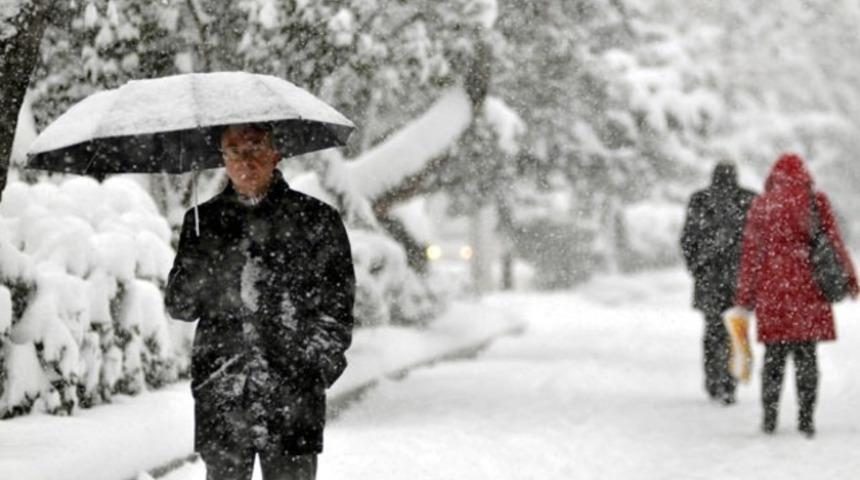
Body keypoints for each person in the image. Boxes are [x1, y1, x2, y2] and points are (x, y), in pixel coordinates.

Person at [165, 123, 356, 479]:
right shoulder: (202, 223)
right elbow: (180, 306)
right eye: (234, 151)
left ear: (275, 152)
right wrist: (200, 262)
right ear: (222, 158)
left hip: (294, 395)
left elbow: (337, 306)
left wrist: (313, 367)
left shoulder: (315, 220)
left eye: (254, 148)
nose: (245, 160)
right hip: (222, 393)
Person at [735, 153, 858, 437]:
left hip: (772, 290)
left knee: (773, 357)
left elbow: (752, 254)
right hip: (808, 288)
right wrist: (850, 278)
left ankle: (769, 419)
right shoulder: (815, 201)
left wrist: (744, 296)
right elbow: (835, 242)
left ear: (773, 176)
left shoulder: (762, 205)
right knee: (806, 356)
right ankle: (806, 419)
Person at [680, 161, 756, 405]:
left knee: (713, 330)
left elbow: (688, 239)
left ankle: (713, 379)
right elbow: (761, 242)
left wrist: (697, 267)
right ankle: (730, 382)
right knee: (736, 330)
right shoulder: (749, 199)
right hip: (740, 279)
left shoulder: (700, 200)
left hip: (709, 278)